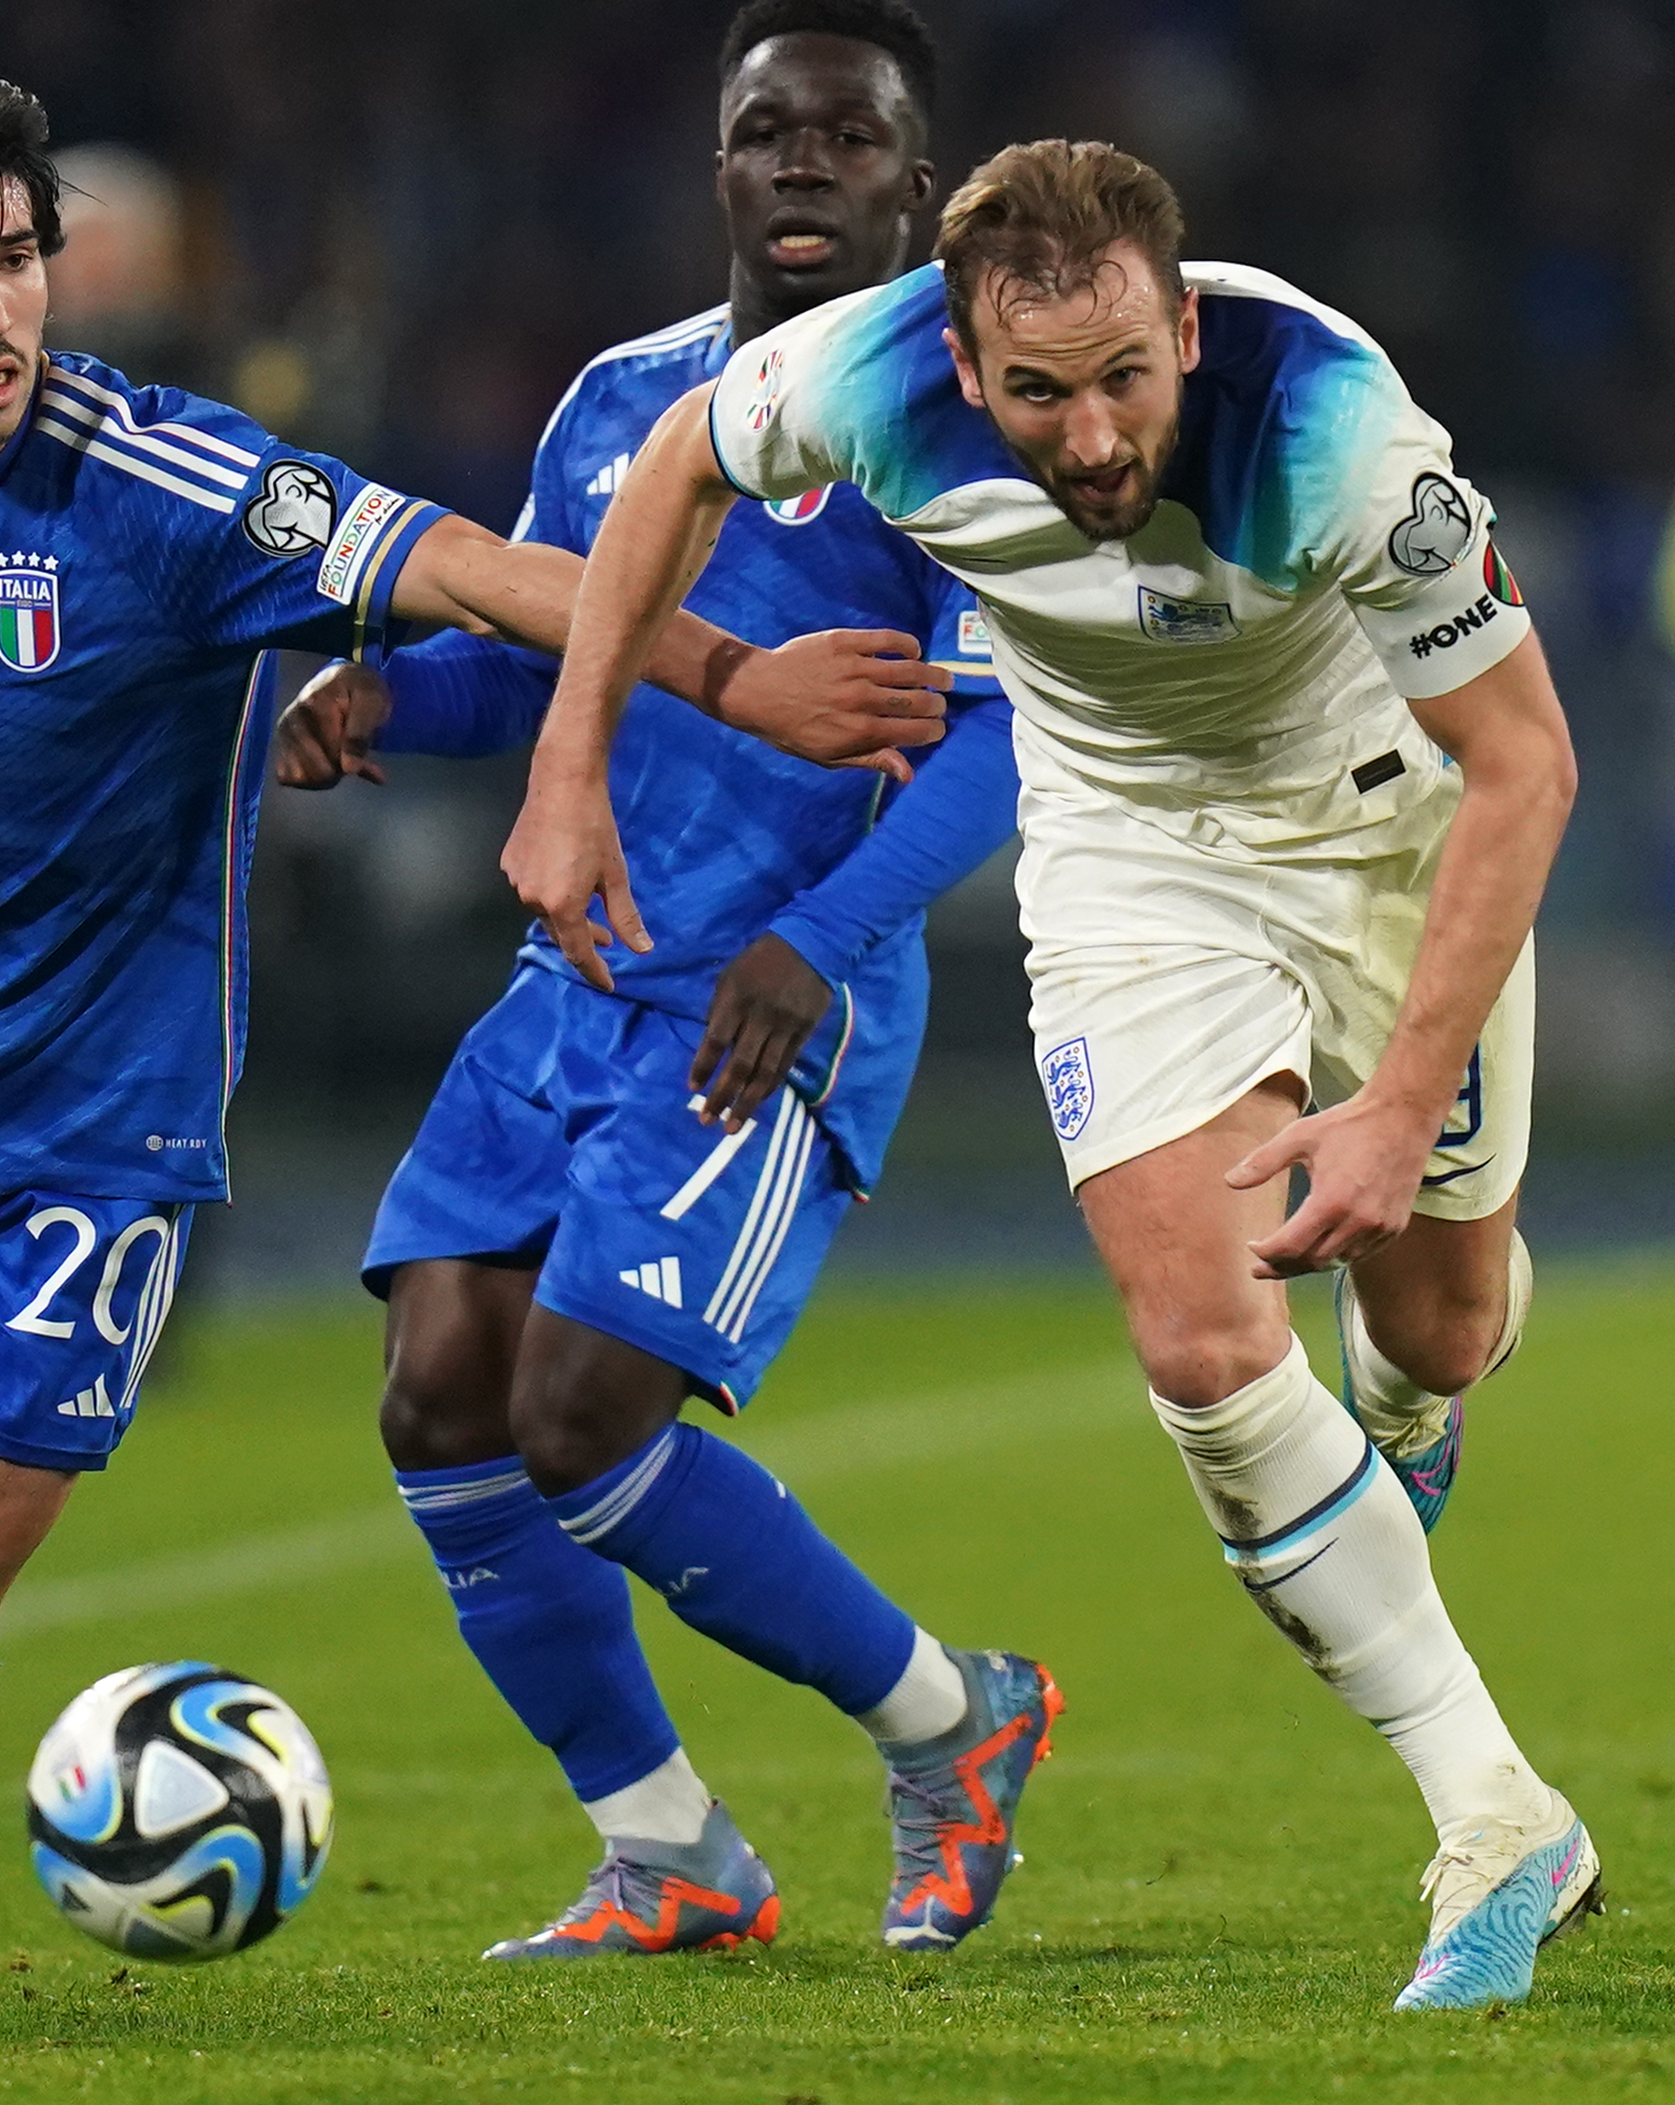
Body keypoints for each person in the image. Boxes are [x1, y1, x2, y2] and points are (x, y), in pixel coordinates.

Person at [0, 60, 949, 2019]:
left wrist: (726, 672)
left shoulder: (165, 485)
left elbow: (484, 576)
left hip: (84, 1146)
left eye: (19, 261)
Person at [500, 139, 1595, 2010]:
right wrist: (568, 759)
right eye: (1034, 393)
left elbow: (1524, 766)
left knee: (1434, 1321)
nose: (1087, 440)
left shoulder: (1339, 434)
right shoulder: (858, 375)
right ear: (956, 352)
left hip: (1380, 825)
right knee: (1198, 1335)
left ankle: (1409, 1412)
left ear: (1182, 326)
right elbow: (678, 460)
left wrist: (1402, 1104)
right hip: (1123, 837)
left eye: (1121, 382)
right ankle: (1496, 1812)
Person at [271, 0, 1052, 1963]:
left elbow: (993, 744)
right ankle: (669, 1853)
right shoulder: (617, 403)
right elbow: (557, 657)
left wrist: (817, 939)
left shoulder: (955, 422)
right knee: (439, 1390)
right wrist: (389, 700)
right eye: (769, 129)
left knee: (579, 1411)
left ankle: (953, 1724)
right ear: (716, 160)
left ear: (919, 182)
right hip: (577, 976)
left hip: (768, 998)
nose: (804, 166)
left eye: (849, 134)